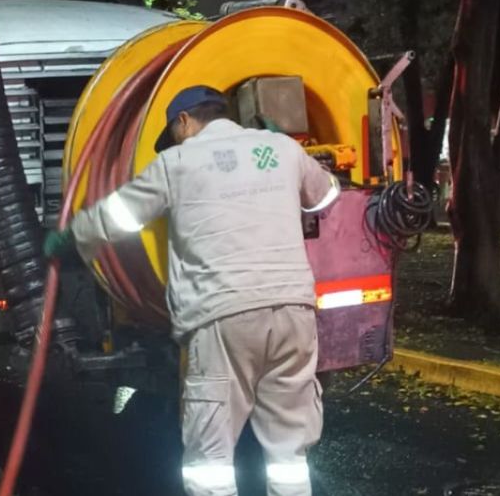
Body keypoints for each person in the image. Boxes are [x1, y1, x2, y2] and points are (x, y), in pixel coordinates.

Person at [44, 85, 339, 496]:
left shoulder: (177, 163)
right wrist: (284, 153)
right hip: (293, 311)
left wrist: (74, 238)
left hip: (222, 316)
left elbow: (121, 215)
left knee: (211, 457)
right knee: (289, 452)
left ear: (184, 121)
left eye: (174, 131)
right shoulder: (281, 149)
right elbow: (326, 196)